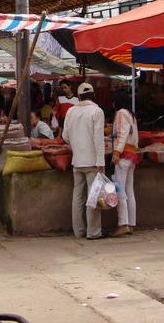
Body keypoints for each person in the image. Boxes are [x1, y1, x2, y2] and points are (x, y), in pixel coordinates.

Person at [62, 83, 105, 240]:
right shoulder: (97, 111)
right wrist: (101, 161)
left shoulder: (71, 111)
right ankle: (93, 232)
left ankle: (78, 231)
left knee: (78, 197)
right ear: (93, 95)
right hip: (93, 161)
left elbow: (65, 136)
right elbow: (98, 139)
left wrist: (76, 144)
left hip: (77, 160)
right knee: (92, 197)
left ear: (79, 97)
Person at [110, 90, 139, 237]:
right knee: (129, 190)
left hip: (123, 155)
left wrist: (116, 152)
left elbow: (122, 134)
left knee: (120, 190)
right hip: (132, 155)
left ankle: (123, 224)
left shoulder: (121, 113)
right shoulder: (130, 114)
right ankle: (131, 223)